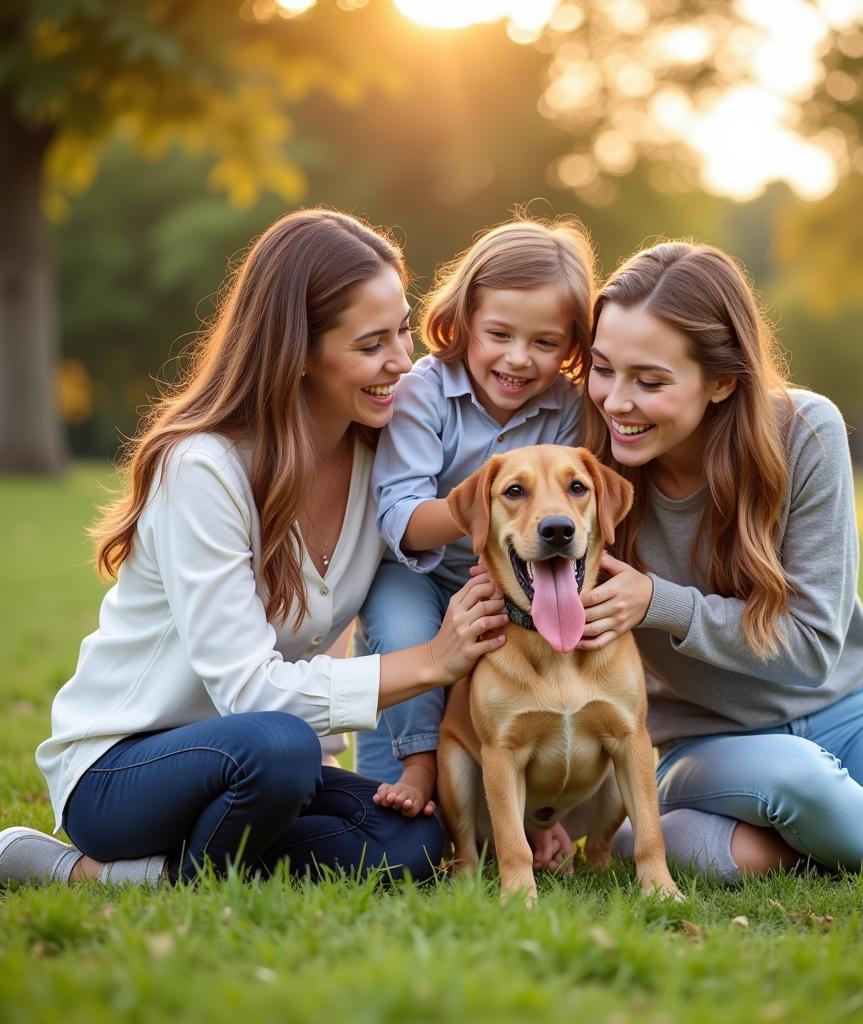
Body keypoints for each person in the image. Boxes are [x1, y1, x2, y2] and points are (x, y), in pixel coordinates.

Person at [0, 209, 509, 889]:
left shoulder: (381, 462)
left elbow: (329, 632)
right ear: (298, 351)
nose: (402, 363)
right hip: (124, 772)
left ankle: (170, 871)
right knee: (277, 745)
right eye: (370, 345)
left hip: (275, 765)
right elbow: (248, 691)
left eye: (402, 332)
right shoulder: (204, 468)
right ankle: (84, 870)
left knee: (412, 838)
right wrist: (432, 661)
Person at [577, 240, 863, 882]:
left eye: (649, 381)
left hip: (848, 711)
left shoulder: (806, 433)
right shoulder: (587, 469)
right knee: (792, 782)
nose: (615, 401)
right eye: (602, 369)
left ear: (723, 380)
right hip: (707, 745)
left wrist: (657, 600)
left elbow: (813, 647)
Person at [354, 219, 595, 872]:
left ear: (572, 344)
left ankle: (542, 815)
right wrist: (485, 507)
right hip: (421, 571)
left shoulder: (567, 408)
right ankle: (420, 766)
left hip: (517, 578)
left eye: (545, 342)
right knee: (405, 633)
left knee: (543, 681)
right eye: (500, 335)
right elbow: (401, 519)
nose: (519, 359)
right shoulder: (423, 392)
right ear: (463, 320)